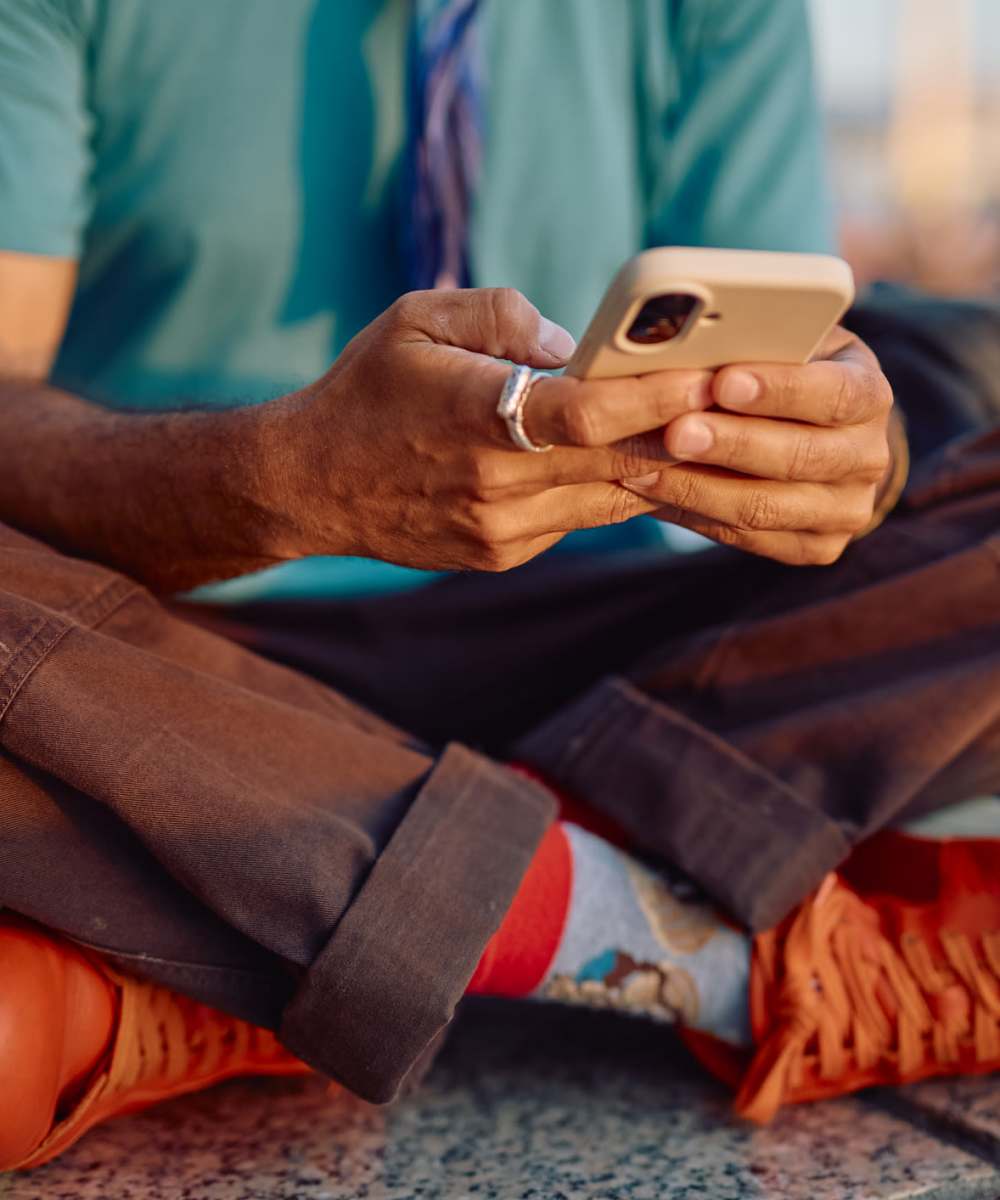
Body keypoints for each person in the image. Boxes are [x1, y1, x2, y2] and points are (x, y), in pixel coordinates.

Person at [0, 0, 997, 1171]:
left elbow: (777, 353)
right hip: (158, 642)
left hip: (602, 665)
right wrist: (284, 482)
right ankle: (639, 933)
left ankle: (257, 924)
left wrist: (840, 465)